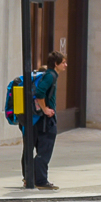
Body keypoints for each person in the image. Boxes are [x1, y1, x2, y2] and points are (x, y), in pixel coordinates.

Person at [32, 52, 63, 191]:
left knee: (42, 151)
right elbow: (39, 92)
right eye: (63, 63)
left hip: (44, 120)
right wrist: (45, 109)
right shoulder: (50, 76)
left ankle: (35, 178)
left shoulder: (51, 76)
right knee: (44, 151)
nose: (66, 65)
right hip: (46, 121)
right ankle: (41, 180)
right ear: (56, 64)